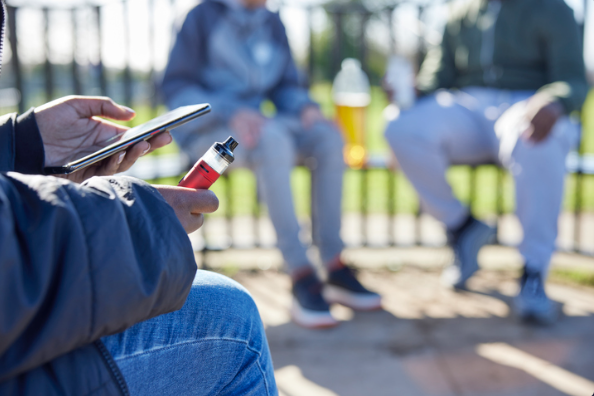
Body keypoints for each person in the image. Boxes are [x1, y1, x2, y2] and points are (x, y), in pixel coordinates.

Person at [0, 3, 277, 395]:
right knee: (230, 324)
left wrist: (21, 146)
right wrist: (140, 219)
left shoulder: (272, 22)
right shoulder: (203, 17)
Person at [162, 0, 382, 329]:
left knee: (327, 136)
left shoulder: (273, 23)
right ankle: (300, 273)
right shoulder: (201, 17)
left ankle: (334, 264)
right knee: (274, 138)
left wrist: (305, 107)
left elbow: (286, 87)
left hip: (262, 124)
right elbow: (176, 89)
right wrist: (231, 109)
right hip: (211, 131)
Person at [384, 0, 587, 324]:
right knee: (400, 125)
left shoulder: (554, 9)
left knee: (538, 139)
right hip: (468, 106)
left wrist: (554, 100)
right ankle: (463, 227)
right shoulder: (459, 11)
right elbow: (438, 76)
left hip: (526, 103)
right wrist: (411, 90)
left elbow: (573, 79)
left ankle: (533, 270)